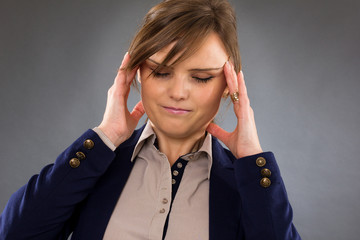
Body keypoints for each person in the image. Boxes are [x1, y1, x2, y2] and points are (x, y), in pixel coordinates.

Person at [0, 0, 301, 239]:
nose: (178, 92)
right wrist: (106, 135)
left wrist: (252, 160)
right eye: (161, 72)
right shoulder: (96, 164)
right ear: (138, 74)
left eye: (200, 78)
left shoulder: (247, 185)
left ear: (227, 86)